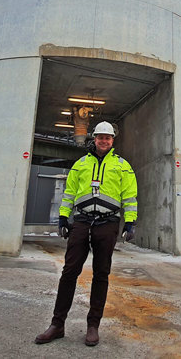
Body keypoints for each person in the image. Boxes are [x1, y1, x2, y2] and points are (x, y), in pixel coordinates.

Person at [35, 121, 137, 347]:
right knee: (69, 271)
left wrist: (130, 223)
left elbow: (130, 197)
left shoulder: (122, 166)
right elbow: (69, 193)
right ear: (94, 138)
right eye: (100, 137)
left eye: (107, 138)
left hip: (107, 223)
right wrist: (63, 217)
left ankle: (93, 326)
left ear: (112, 141)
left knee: (101, 274)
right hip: (81, 221)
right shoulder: (81, 164)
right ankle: (57, 324)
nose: (104, 141)